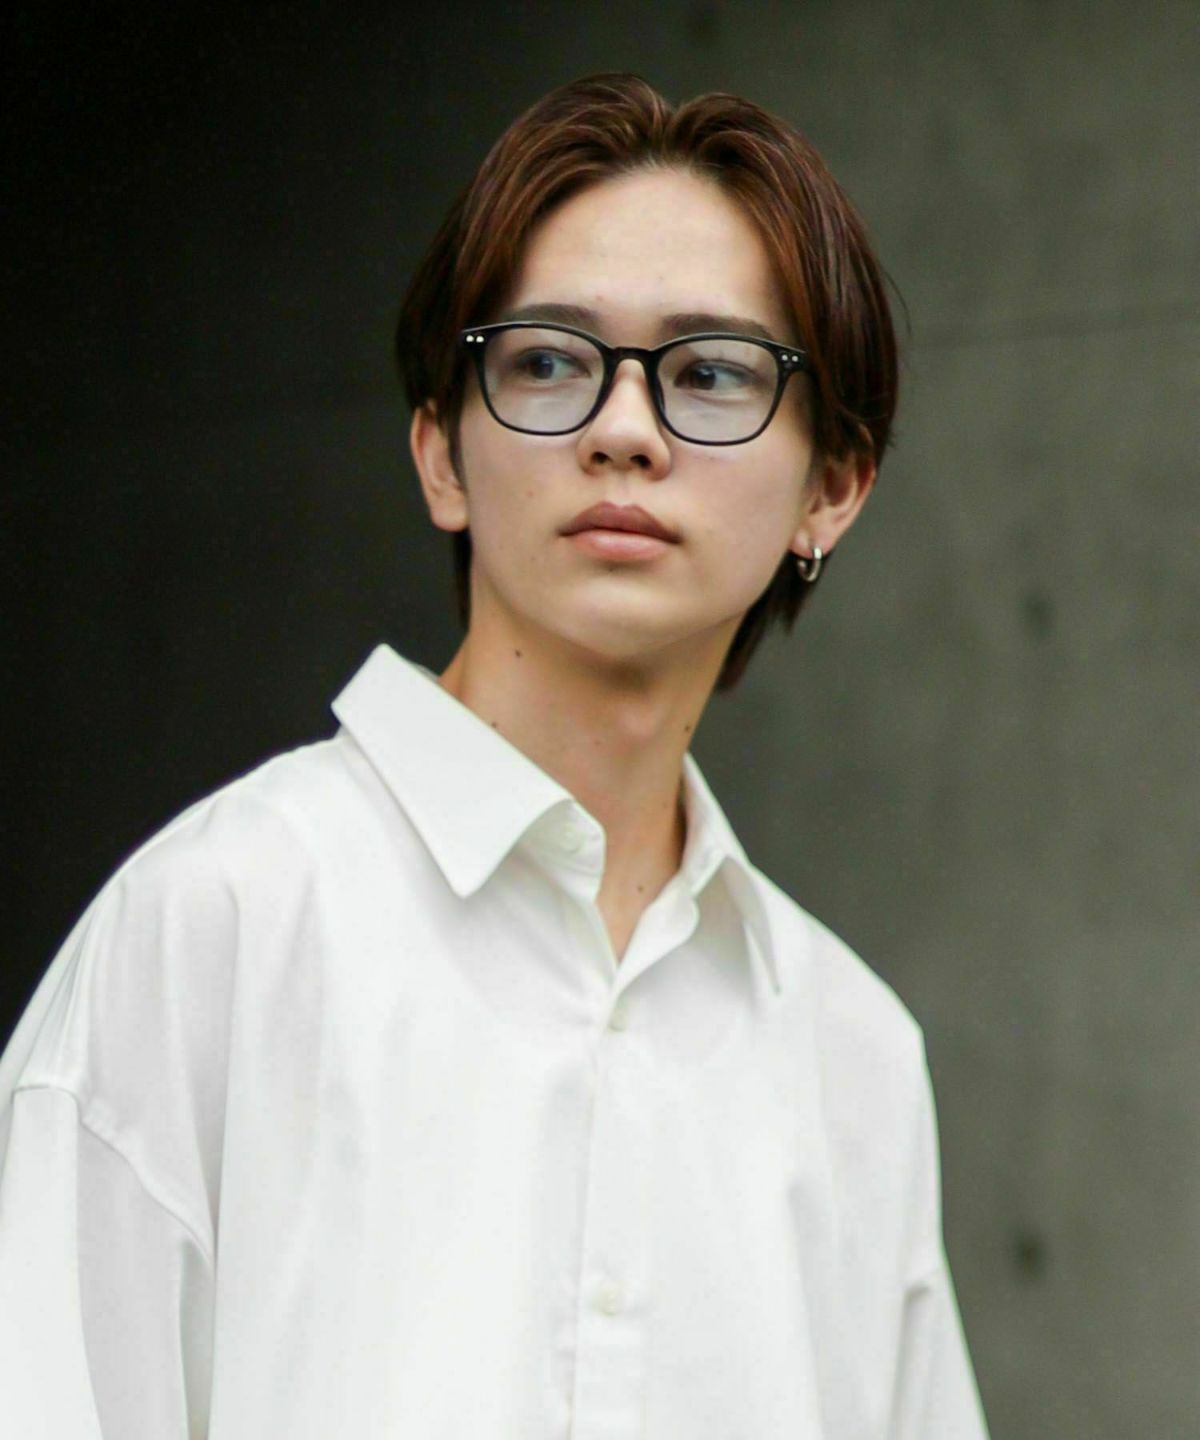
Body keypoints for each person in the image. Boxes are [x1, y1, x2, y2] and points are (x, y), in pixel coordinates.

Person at [0, 73, 990, 1438]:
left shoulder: (852, 1057)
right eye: (548, 363)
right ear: (441, 458)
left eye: (710, 373)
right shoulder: (217, 927)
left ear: (833, 488)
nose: (624, 430)